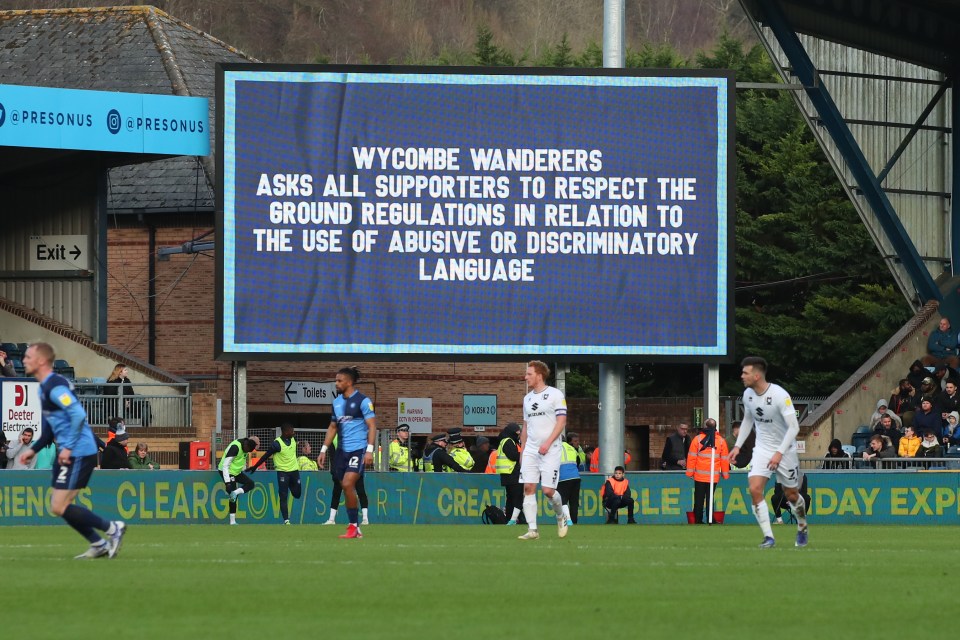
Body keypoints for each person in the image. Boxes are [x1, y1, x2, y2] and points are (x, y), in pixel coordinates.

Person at [18, 342, 126, 559]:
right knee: (59, 506)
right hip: (70, 451)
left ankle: (113, 529)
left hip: (78, 450)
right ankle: (99, 542)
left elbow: (77, 415)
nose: (24, 360)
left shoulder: (55, 386)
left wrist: (67, 447)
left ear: (41, 361)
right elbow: (50, 428)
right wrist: (34, 449)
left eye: (28, 357)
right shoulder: (46, 387)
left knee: (59, 505)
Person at [728, 356, 808, 549]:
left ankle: (802, 525)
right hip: (763, 449)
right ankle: (768, 537)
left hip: (785, 450)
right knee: (755, 489)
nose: (742, 376)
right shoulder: (748, 394)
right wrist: (738, 446)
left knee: (791, 495)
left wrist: (780, 452)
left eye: (745, 373)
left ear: (756, 375)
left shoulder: (780, 395)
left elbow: (794, 427)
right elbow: (748, 420)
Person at [317, 366, 376, 539]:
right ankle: (355, 528)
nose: (336, 383)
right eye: (336, 380)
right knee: (344, 485)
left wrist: (369, 451)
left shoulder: (363, 401)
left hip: (358, 450)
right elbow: (333, 427)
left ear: (349, 382)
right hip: (342, 452)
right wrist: (323, 450)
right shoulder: (336, 403)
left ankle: (353, 526)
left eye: (339, 380)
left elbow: (372, 426)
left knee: (349, 484)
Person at [517, 360, 568, 540]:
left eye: (529, 374)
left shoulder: (555, 394)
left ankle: (560, 516)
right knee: (528, 488)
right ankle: (533, 530)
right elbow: (525, 427)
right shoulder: (527, 398)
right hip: (531, 449)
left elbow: (561, 421)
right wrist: (522, 451)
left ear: (539, 375)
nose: (526, 377)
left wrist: (547, 442)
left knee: (547, 491)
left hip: (551, 449)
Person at [247, 423, 302, 524]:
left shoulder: (293, 439)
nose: (293, 432)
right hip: (282, 473)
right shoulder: (277, 444)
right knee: (283, 496)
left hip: (294, 471)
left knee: (297, 494)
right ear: (285, 432)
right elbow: (265, 456)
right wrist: (254, 467)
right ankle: (286, 520)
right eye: (291, 431)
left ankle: (290, 484)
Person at [685, 418, 730, 524]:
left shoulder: (697, 439)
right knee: (710, 499)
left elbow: (691, 457)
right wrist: (725, 474)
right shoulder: (721, 441)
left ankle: (698, 520)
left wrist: (690, 473)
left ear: (704, 426)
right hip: (713, 477)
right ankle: (711, 519)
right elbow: (724, 460)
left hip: (699, 476)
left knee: (699, 499)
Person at [219, 435, 260, 525]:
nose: (247, 452)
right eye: (247, 451)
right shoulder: (235, 448)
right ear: (246, 446)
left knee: (251, 484)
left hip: (236, 472)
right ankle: (232, 521)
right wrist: (227, 483)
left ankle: (235, 492)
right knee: (233, 497)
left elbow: (240, 459)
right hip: (227, 471)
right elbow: (225, 465)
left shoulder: (246, 445)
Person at [495, 423, 523, 525]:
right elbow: (513, 455)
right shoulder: (508, 441)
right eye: (517, 432)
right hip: (512, 473)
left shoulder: (504, 441)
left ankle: (510, 519)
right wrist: (523, 453)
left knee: (511, 498)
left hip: (507, 475)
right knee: (517, 498)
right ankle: (514, 519)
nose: (518, 435)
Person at [557, 433, 582, 526]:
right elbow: (578, 461)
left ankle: (568, 520)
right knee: (574, 502)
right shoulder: (572, 448)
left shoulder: (555, 448)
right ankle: (574, 521)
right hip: (576, 477)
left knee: (562, 500)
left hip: (563, 477)